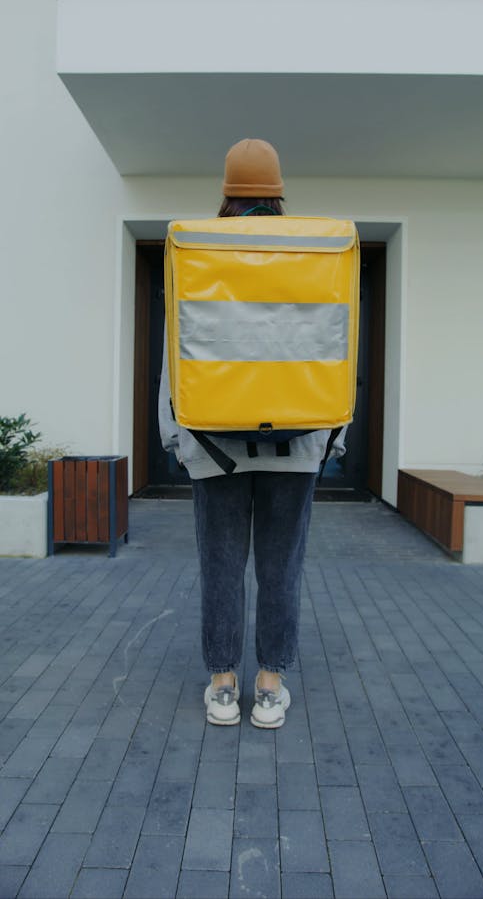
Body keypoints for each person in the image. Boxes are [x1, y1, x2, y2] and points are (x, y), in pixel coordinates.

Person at [159, 138, 346, 728]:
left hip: (215, 445)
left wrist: (176, 439)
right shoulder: (315, 252)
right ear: (279, 193)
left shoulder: (197, 250)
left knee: (220, 566)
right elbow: (337, 346)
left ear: (227, 195)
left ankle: (222, 684)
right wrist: (329, 440)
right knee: (280, 567)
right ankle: (269, 687)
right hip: (297, 442)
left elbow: (178, 354)